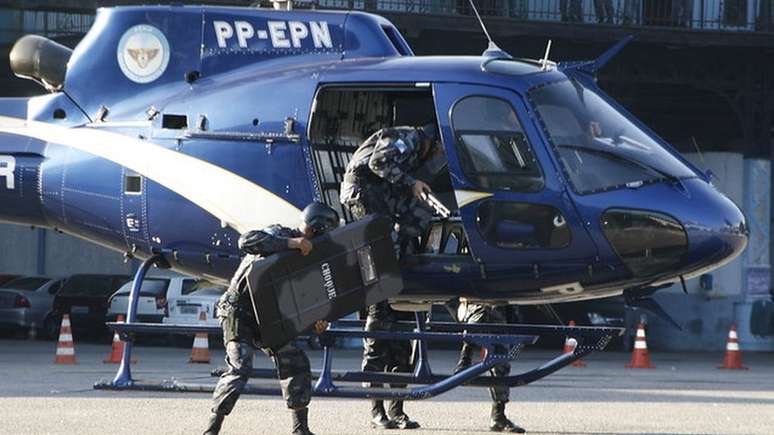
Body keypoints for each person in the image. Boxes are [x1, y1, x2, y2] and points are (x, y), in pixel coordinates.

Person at [203, 202, 341, 435]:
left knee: (296, 362)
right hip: (239, 312)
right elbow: (246, 241)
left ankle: (300, 429)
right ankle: (211, 429)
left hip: (269, 316)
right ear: (317, 229)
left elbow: (304, 299)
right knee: (240, 367)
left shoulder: (311, 258)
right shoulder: (280, 235)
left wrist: (316, 322)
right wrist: (291, 244)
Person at [340, 124, 440, 430]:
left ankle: (397, 411)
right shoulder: (409, 139)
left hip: (379, 197)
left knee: (402, 345)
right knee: (377, 339)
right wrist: (411, 182)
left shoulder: (412, 152)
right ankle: (377, 412)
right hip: (362, 190)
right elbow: (378, 162)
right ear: (431, 144)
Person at [455, 301, 525, 433]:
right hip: (477, 305)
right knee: (475, 323)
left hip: (498, 307)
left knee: (501, 364)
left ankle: (498, 416)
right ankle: (465, 360)